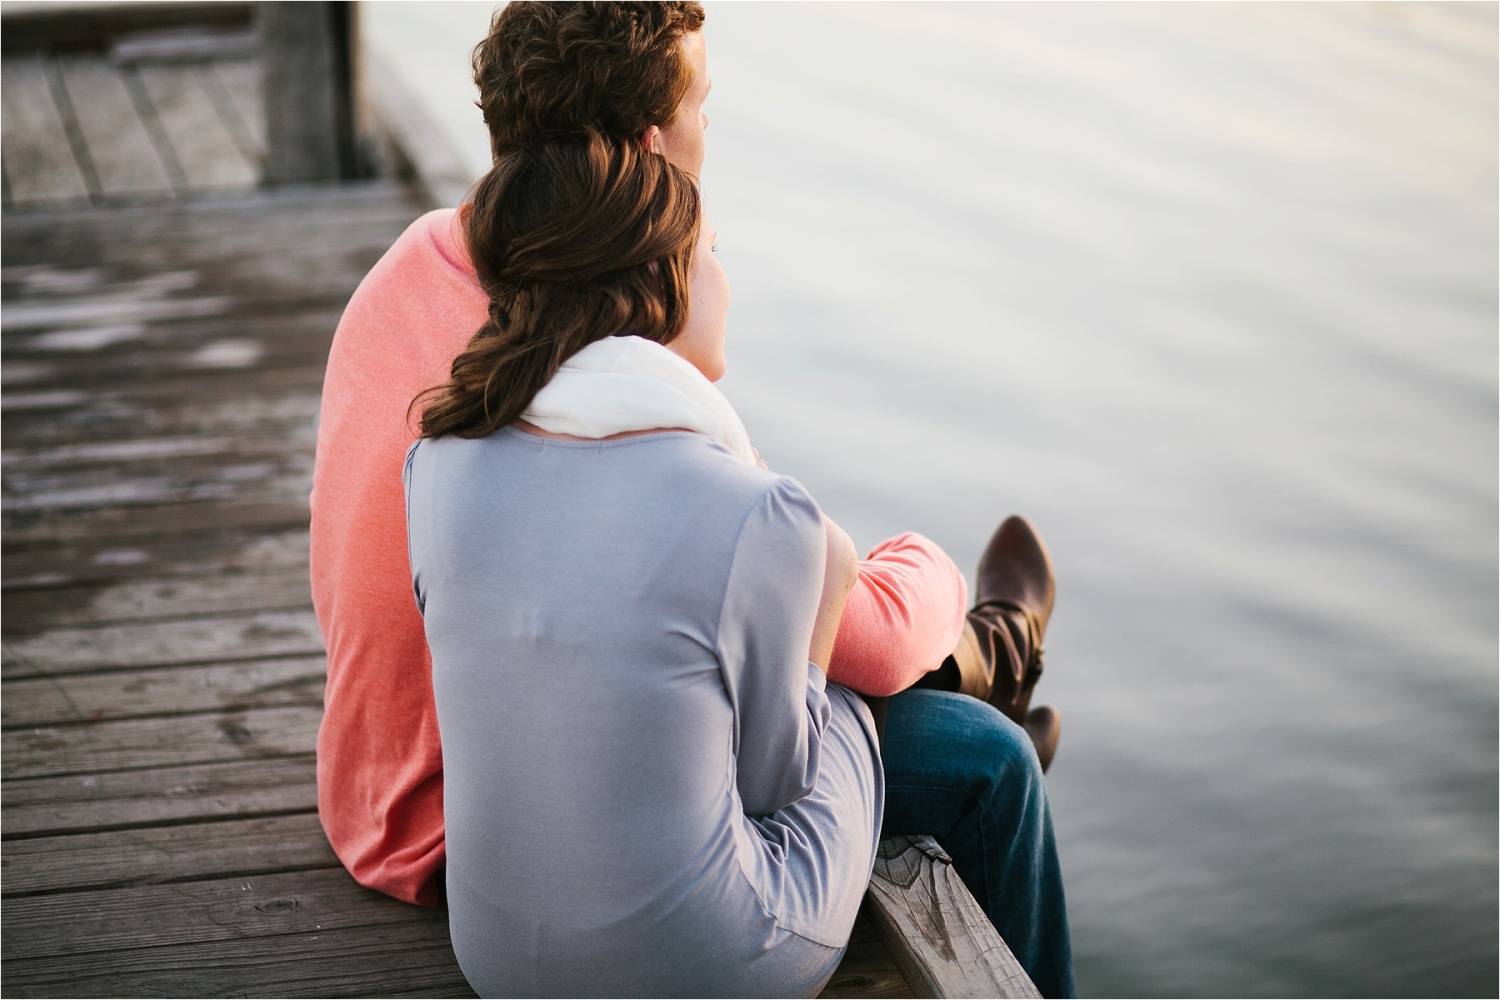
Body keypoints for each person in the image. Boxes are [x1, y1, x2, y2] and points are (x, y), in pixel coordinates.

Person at [310, 3, 1073, 995]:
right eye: (703, 107)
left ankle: (987, 655)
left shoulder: (409, 267)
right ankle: (991, 651)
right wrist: (934, 589)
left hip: (376, 797)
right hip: (516, 823)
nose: (711, 135)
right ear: (644, 154)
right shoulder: (606, 334)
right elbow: (852, 633)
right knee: (987, 760)